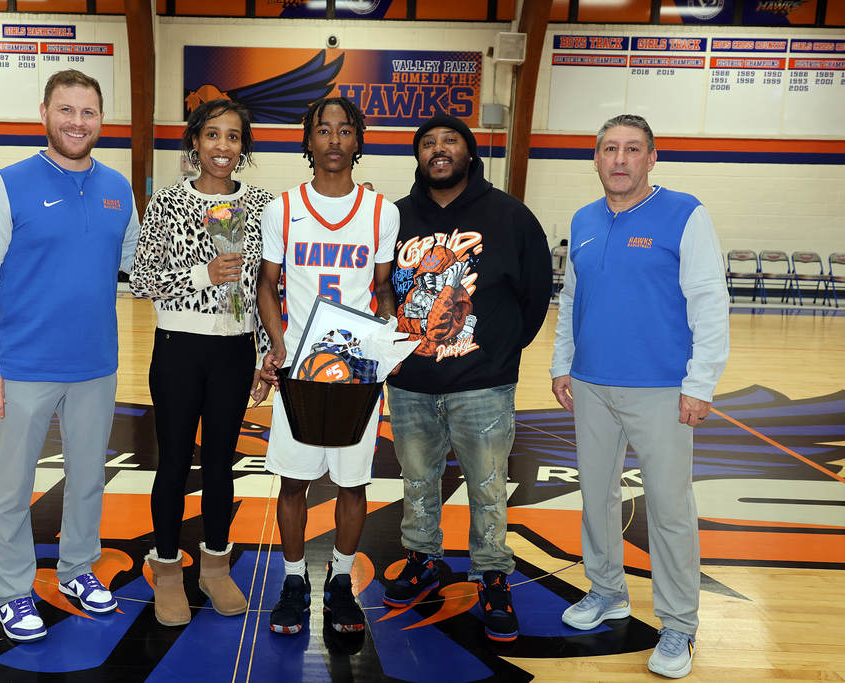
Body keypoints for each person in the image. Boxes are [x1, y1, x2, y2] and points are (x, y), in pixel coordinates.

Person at [0, 70, 140, 643]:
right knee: (11, 487)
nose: (76, 122)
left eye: (88, 112)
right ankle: (12, 591)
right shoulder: (7, 184)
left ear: (101, 120)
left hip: (95, 365)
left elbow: (139, 266)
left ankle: (78, 569)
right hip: (22, 368)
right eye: (66, 110)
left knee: (88, 480)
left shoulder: (118, 188)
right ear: (44, 113)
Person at [550, 114, 729, 679]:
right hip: (591, 385)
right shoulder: (583, 219)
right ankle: (607, 590)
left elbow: (710, 301)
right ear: (596, 159)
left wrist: (700, 384)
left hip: (662, 390)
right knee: (596, 498)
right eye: (609, 149)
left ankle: (679, 624)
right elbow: (571, 301)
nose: (620, 159)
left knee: (670, 510)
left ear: (652, 158)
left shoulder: (685, 214)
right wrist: (562, 365)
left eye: (632, 149)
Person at [383, 114, 553, 643]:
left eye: (449, 140)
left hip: (483, 383)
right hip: (410, 381)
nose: (438, 149)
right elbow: (379, 288)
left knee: (488, 486)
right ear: (417, 156)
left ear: (469, 152)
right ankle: (423, 559)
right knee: (417, 481)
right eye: (428, 143)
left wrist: (499, 352)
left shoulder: (510, 215)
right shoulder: (393, 217)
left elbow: (536, 294)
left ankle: (493, 574)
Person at [256, 97, 400, 635]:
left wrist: (387, 340)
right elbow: (267, 285)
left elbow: (383, 288)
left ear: (358, 140)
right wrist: (278, 344)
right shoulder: (283, 209)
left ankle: (341, 582)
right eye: (323, 130)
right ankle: (294, 582)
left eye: (344, 130)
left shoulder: (382, 211)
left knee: (352, 483)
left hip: (356, 370)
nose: (334, 139)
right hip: (299, 367)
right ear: (308, 140)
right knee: (293, 482)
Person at [129, 99, 273, 627]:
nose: (222, 146)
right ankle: (167, 571)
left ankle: (215, 567)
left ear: (244, 146)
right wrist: (202, 275)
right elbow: (141, 280)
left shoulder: (262, 205)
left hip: (234, 352)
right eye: (213, 134)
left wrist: (264, 352)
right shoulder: (167, 203)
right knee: (172, 464)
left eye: (233, 136)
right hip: (178, 349)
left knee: (219, 466)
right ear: (194, 140)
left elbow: (266, 288)